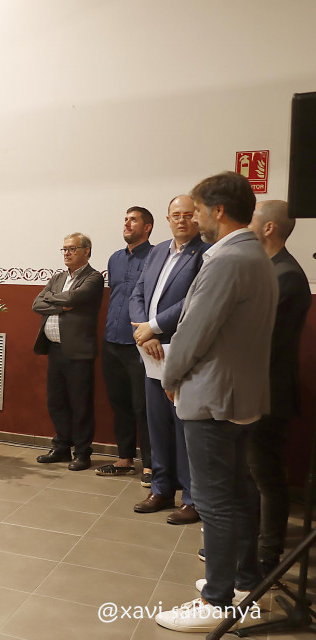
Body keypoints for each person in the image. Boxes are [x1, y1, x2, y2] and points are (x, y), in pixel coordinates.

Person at [154, 172, 276, 633]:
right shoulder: (254, 254)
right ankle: (243, 581)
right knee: (238, 490)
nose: (197, 218)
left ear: (218, 211)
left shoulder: (226, 259)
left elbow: (194, 331)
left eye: (200, 210)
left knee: (214, 499)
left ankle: (217, 600)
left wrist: (171, 375)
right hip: (239, 393)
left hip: (213, 395)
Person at [129, 194, 208, 525]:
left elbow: (194, 300)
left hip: (181, 351)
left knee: (183, 428)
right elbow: (137, 293)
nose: (181, 220)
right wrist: (144, 332)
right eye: (176, 215)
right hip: (150, 351)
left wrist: (155, 327)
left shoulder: (205, 253)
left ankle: (191, 499)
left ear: (197, 218)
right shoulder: (158, 250)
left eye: (188, 214)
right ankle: (161, 489)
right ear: (167, 219)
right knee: (157, 425)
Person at [246, 199, 311, 577]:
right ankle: (249, 543)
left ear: (269, 228)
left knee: (266, 475)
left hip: (269, 391)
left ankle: (267, 555)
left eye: (253, 220)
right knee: (252, 472)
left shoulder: (286, 275)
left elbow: (261, 339)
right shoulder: (268, 268)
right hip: (255, 387)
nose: (248, 225)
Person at [32, 232, 104, 471]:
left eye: (72, 249)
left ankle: (82, 452)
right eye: (64, 249)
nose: (67, 253)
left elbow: (74, 297)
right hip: (55, 349)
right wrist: (62, 305)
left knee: (80, 404)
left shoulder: (93, 278)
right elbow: (36, 304)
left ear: (86, 251)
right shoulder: (57, 278)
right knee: (56, 401)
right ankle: (62, 447)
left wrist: (53, 299)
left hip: (78, 351)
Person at [96, 207, 153, 480]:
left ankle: (151, 465)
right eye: (126, 219)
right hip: (111, 341)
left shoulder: (156, 257)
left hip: (140, 344)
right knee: (119, 404)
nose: (127, 223)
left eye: (134, 220)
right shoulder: (115, 259)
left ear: (148, 227)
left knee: (143, 407)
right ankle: (125, 458)